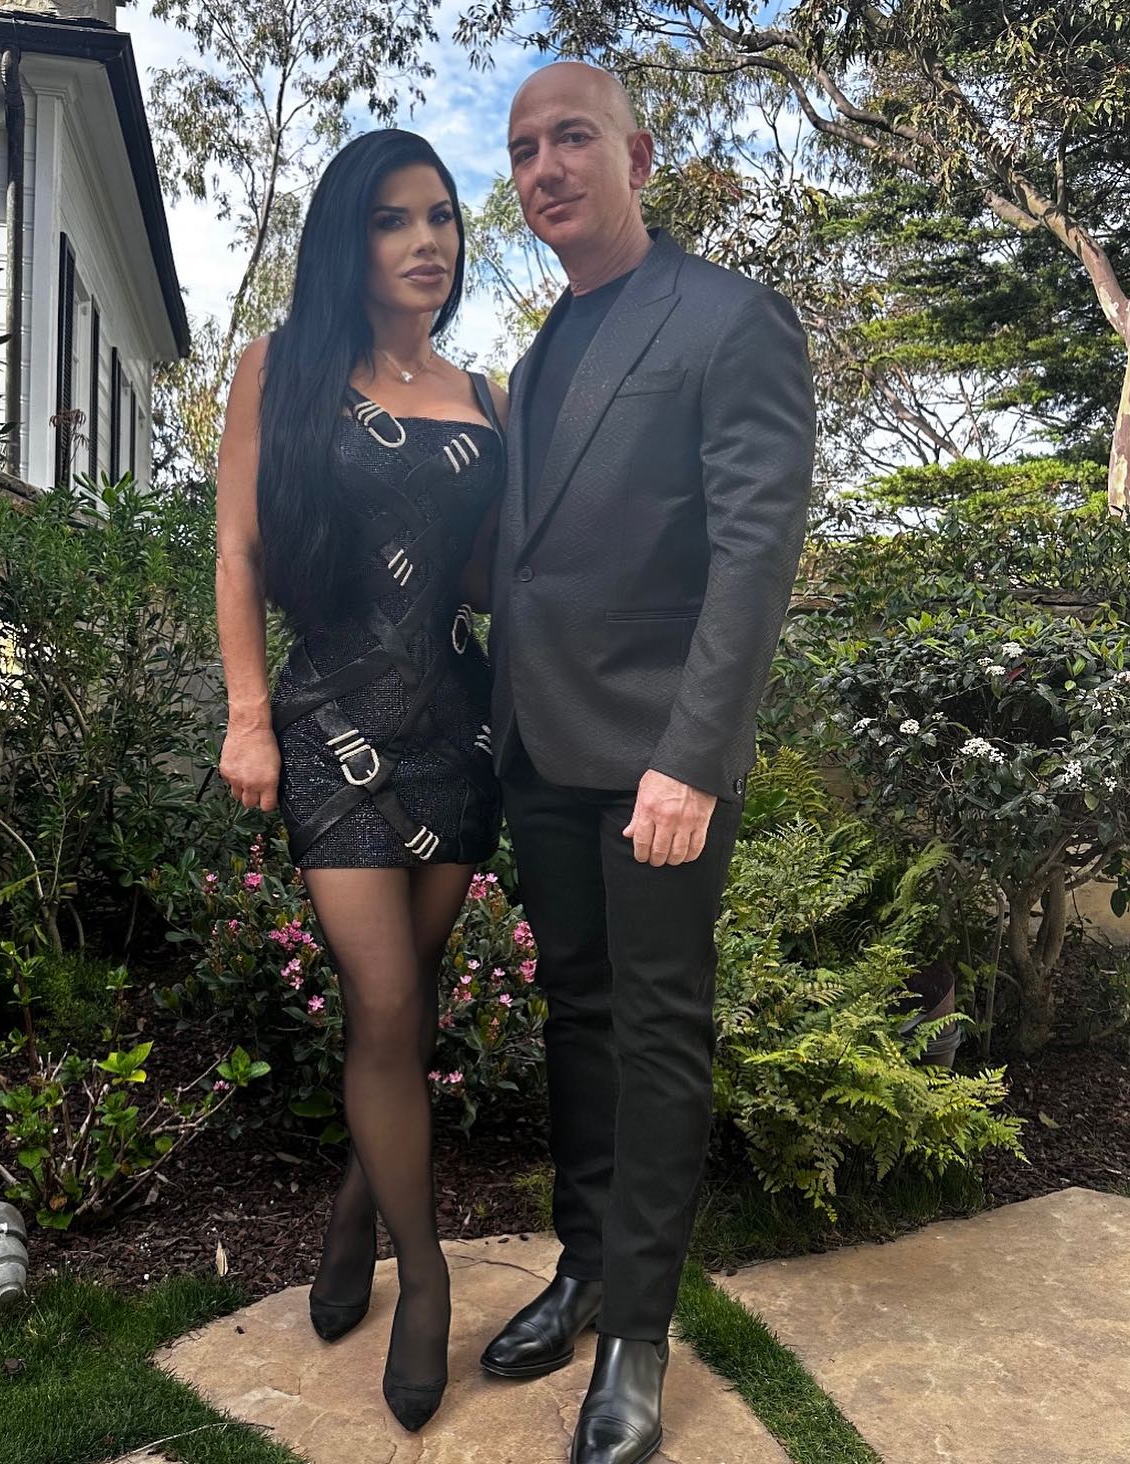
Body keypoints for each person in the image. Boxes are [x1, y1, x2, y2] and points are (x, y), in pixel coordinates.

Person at [480, 63, 816, 1464]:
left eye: (573, 138)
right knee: (578, 1017)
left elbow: (754, 552)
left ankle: (636, 1334)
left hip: (657, 762)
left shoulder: (729, 318)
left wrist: (691, 757)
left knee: (659, 1027)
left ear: (641, 154)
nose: (545, 168)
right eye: (522, 150)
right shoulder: (541, 351)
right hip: (542, 746)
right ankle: (581, 1267)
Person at [213, 128, 508, 1434]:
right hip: (330, 726)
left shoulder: (485, 396)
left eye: (440, 216)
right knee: (384, 999)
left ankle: (351, 1219)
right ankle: (424, 1275)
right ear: (351, 238)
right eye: (395, 219)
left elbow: (491, 580)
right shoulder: (278, 371)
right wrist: (248, 718)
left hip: (456, 735)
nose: (426, 240)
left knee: (405, 1014)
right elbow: (236, 549)